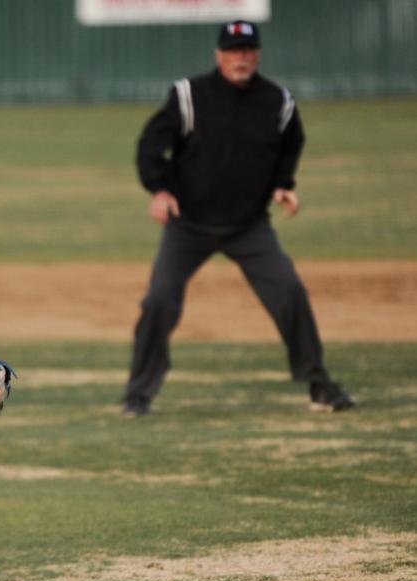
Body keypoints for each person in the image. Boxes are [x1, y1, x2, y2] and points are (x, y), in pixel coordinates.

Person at [121, 19, 355, 417]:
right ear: (219, 54)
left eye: (248, 50)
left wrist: (283, 182)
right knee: (160, 300)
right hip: (189, 225)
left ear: (258, 54)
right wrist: (159, 189)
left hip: (249, 226)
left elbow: (291, 143)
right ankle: (138, 393)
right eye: (233, 50)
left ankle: (319, 384)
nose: (240, 57)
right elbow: (150, 146)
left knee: (290, 293)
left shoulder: (277, 101)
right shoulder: (189, 95)